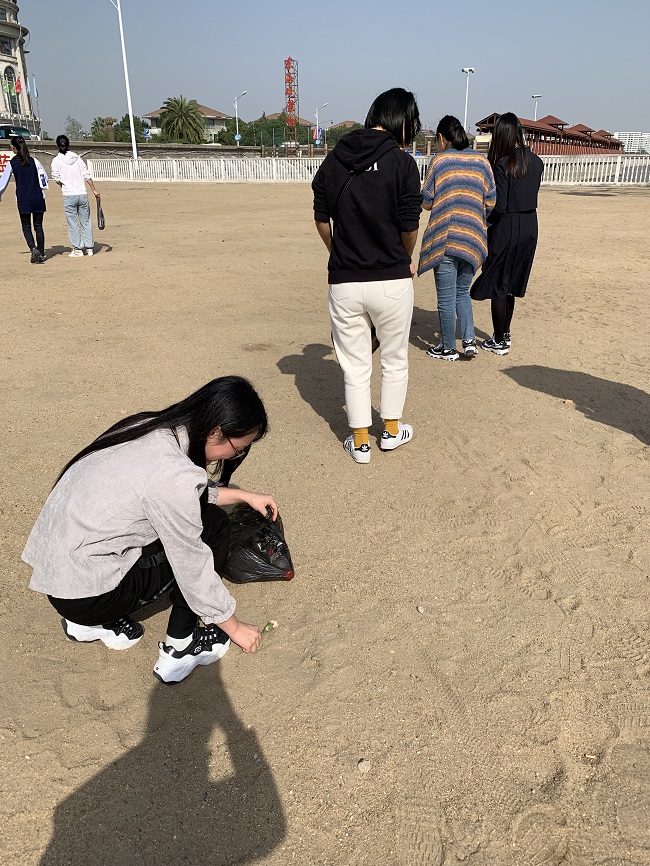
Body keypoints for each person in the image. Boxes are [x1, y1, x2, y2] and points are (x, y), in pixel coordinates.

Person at [22, 376, 279, 685]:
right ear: (216, 432)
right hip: (89, 595)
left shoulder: (149, 427)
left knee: (193, 521)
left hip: (61, 579)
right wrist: (234, 627)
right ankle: (181, 647)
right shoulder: (174, 476)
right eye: (239, 449)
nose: (234, 457)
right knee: (214, 527)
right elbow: (191, 565)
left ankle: (88, 624)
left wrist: (242, 495)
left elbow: (173, 490)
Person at [312, 87, 422, 464]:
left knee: (354, 364)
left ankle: (360, 442)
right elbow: (409, 225)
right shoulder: (403, 164)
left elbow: (321, 219)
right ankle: (390, 432)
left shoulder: (333, 160)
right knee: (394, 358)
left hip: (344, 280)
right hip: (391, 278)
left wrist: (337, 252)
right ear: (401, 120)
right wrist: (403, 257)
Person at [418, 116, 496, 360]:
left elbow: (426, 201)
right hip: (473, 238)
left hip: (445, 237)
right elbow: (491, 200)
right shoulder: (482, 161)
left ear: (441, 138)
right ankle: (469, 341)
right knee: (462, 291)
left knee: (445, 298)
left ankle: (448, 347)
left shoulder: (439, 161)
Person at [470, 112, 545, 355]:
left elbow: (499, 206)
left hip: (507, 226)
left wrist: (485, 222)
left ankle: (499, 340)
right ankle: (505, 334)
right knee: (511, 282)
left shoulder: (503, 164)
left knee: (498, 283)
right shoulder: (536, 162)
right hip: (530, 224)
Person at [0, 135, 48, 263]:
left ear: (13, 147)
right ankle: (41, 253)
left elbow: (3, 182)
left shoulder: (12, 163)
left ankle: (33, 249)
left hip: (23, 198)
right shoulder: (34, 161)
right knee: (38, 226)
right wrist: (42, 189)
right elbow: (44, 177)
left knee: (26, 226)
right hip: (37, 197)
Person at [51, 134, 101, 257]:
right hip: (82, 193)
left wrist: (63, 185)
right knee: (86, 221)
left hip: (68, 194)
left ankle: (78, 248)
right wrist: (94, 190)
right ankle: (89, 247)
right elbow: (87, 175)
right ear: (69, 145)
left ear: (57, 146)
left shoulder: (56, 161)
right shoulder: (77, 158)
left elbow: (56, 178)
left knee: (72, 222)